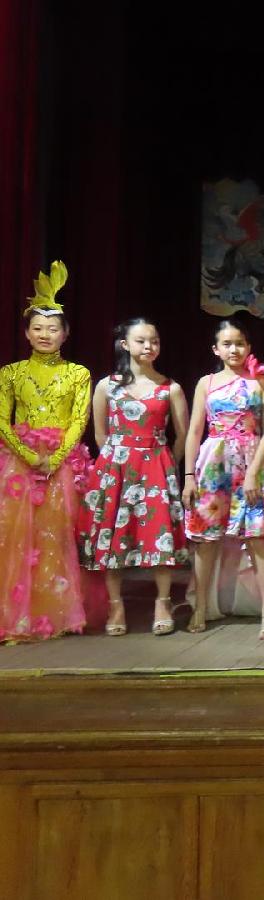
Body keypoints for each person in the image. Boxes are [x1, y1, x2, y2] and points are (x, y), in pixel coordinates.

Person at [79, 318, 190, 635]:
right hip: (116, 470)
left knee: (159, 538)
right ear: (125, 344)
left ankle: (163, 602)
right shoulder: (106, 386)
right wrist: (115, 462)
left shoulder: (170, 388)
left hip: (156, 467)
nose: (149, 346)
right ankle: (116, 605)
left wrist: (166, 463)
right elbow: (100, 435)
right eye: (141, 341)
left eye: (154, 341)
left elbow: (182, 435)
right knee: (113, 539)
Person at [0, 261, 92, 641]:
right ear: (26, 332)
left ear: (65, 334)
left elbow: (79, 420)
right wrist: (28, 455)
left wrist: (54, 459)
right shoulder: (10, 373)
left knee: (55, 538)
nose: (44, 334)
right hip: (17, 465)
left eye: (52, 329)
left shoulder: (78, 374)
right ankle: (14, 616)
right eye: (37, 328)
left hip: (61, 465)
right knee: (14, 538)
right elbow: (1, 420)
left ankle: (52, 613)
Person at [181, 319, 264, 639]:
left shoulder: (262, 383)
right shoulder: (206, 383)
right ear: (216, 349)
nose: (234, 349)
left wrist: (252, 473)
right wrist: (189, 476)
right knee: (206, 539)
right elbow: (194, 431)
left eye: (239, 343)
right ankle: (200, 608)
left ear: (249, 347)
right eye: (227, 344)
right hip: (214, 463)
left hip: (251, 462)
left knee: (257, 536)